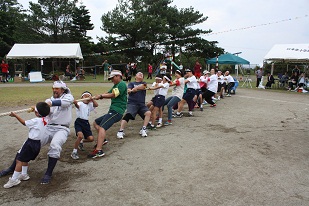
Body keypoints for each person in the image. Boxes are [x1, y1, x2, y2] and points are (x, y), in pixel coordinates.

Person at [3, 102, 50, 188]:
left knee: (19, 160)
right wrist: (35, 110)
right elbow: (40, 113)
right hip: (37, 144)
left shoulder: (35, 121)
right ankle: (24, 175)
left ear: (37, 113)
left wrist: (15, 115)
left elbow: (24, 123)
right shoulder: (46, 118)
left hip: (30, 143)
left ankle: (14, 180)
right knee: (25, 159)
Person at [39, 81, 74, 184]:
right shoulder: (49, 99)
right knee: (32, 142)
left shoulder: (69, 97)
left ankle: (48, 173)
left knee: (55, 145)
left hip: (62, 128)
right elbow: (45, 113)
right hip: (49, 127)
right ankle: (13, 167)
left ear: (62, 90)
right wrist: (39, 111)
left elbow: (64, 103)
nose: (54, 90)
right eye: (53, 88)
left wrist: (50, 103)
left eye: (57, 88)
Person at [89, 70, 127, 158]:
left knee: (102, 127)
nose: (111, 80)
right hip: (113, 110)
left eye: (112, 78)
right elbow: (108, 93)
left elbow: (113, 95)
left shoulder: (121, 84)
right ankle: (103, 139)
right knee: (96, 123)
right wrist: (97, 96)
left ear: (118, 76)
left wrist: (102, 96)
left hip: (117, 111)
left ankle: (99, 150)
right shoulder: (115, 85)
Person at [117, 72, 151, 139]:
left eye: (142, 74)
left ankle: (143, 129)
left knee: (148, 113)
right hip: (132, 103)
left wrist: (136, 88)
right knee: (128, 115)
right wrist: (131, 90)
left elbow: (143, 86)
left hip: (141, 104)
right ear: (135, 76)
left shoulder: (144, 83)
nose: (140, 74)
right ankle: (120, 131)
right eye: (138, 74)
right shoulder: (131, 83)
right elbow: (129, 90)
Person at [71, 91, 98, 160]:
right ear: (82, 97)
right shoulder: (80, 103)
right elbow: (77, 106)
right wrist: (75, 103)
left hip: (86, 123)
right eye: (85, 96)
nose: (86, 97)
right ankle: (74, 152)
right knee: (80, 135)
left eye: (88, 96)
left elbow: (96, 105)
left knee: (91, 139)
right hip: (79, 122)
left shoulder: (90, 105)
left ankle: (81, 141)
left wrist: (92, 100)